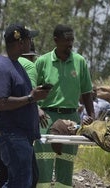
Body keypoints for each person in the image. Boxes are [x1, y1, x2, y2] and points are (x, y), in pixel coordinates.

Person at [0, 23, 50, 188]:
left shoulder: (16, 64)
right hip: (12, 134)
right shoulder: (1, 68)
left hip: (20, 135)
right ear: (21, 42)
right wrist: (31, 97)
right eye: (29, 39)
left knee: (21, 182)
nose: (32, 43)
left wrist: (35, 95)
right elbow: (1, 103)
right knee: (20, 183)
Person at [34, 24, 94, 187]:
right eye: (66, 40)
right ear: (56, 40)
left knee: (66, 161)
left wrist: (92, 116)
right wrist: (36, 108)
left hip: (71, 118)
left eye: (72, 40)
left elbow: (87, 92)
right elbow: (31, 90)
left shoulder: (80, 61)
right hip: (45, 118)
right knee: (43, 161)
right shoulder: (42, 61)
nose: (70, 44)